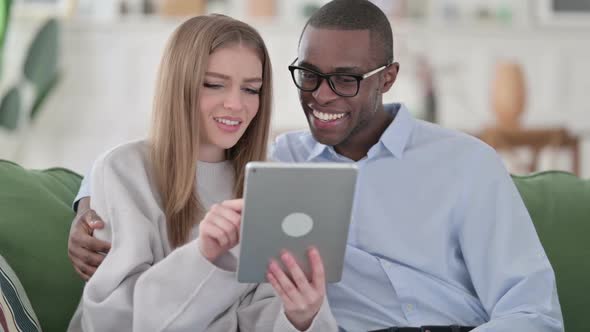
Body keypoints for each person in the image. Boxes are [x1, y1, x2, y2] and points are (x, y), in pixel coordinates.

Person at [69, 1, 564, 331]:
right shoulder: (273, 168)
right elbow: (166, 160)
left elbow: (533, 311)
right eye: (309, 76)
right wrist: (88, 199)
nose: (323, 95)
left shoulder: (467, 164)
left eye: (347, 79)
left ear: (388, 78)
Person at [66, 14, 337, 332]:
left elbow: (262, 314)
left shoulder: (271, 181)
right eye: (214, 84)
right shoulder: (123, 171)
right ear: (180, 84)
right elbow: (115, 320)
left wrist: (301, 317)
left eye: (251, 89)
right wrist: (204, 258)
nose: (236, 104)